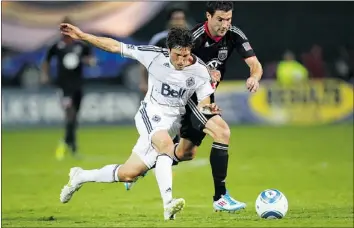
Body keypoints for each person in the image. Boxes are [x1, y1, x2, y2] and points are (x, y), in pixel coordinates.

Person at [58, 23, 221, 220]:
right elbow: (114, 46)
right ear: (168, 50)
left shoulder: (200, 71)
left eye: (186, 55)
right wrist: (83, 35)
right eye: (177, 55)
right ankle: (168, 204)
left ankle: (80, 176)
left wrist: (208, 109)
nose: (182, 60)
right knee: (166, 147)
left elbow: (204, 104)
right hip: (150, 114)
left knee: (128, 174)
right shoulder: (153, 55)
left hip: (173, 122)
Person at [133, 1, 263, 213]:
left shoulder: (234, 34)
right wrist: (202, 71)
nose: (225, 24)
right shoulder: (193, 38)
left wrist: (254, 77)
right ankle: (220, 198)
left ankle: (142, 167)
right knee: (222, 131)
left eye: (228, 19)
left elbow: (255, 64)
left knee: (185, 153)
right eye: (220, 19)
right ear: (208, 17)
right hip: (188, 99)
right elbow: (174, 68)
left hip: (205, 99)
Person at [41, 17, 96, 161]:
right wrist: (45, 75)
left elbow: (91, 60)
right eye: (63, 29)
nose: (65, 32)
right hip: (64, 86)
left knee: (75, 117)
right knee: (70, 114)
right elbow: (46, 61)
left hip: (78, 85)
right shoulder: (56, 46)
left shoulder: (81, 46)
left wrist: (88, 61)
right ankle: (67, 144)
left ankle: (69, 143)